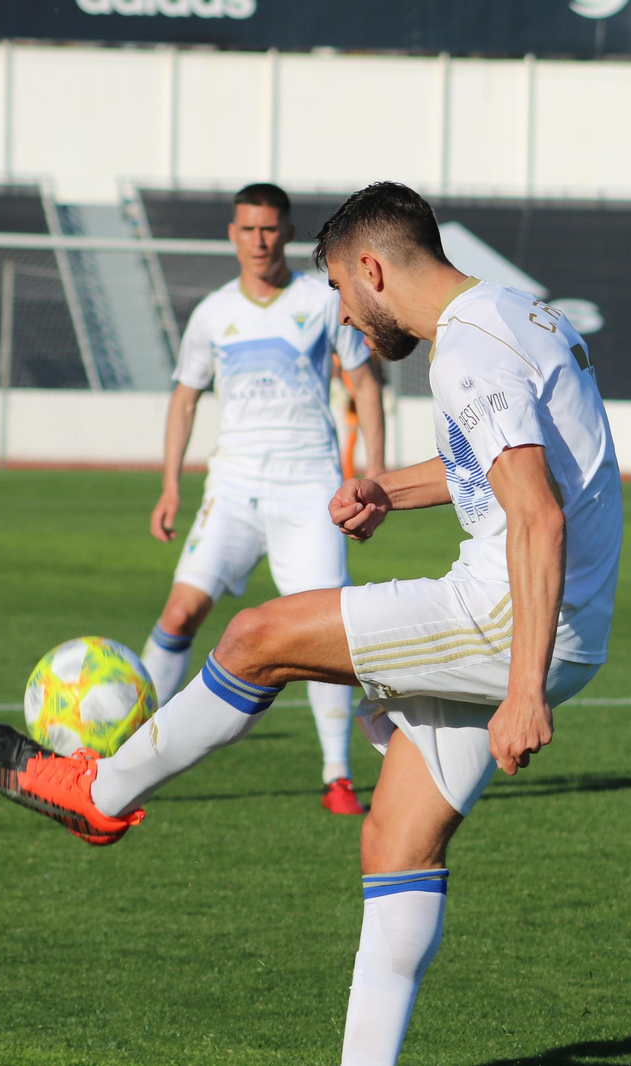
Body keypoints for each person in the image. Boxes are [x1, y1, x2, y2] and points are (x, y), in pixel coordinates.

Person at [0, 182, 623, 1066]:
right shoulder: (514, 315)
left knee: (256, 638)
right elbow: (509, 467)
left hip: (510, 619)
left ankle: (100, 795)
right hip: (550, 617)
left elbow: (538, 516)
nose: (346, 318)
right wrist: (389, 487)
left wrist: (522, 695)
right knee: (394, 840)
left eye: (343, 295)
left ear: (371, 267)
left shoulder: (467, 351)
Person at [141, 182, 386, 816]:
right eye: (248, 229)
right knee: (179, 615)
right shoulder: (212, 313)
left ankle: (337, 775)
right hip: (234, 490)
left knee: (323, 635)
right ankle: (127, 745)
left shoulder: (321, 301)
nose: (259, 240)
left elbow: (363, 380)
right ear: (232, 234)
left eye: (270, 229)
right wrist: (171, 484)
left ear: (285, 232)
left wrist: (376, 471)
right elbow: (184, 397)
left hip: (309, 492)